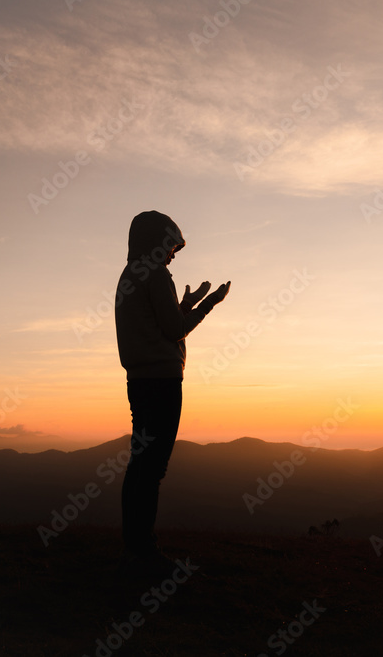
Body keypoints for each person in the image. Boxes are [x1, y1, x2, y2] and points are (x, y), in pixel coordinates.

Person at [114, 210, 230, 575]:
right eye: (171, 247)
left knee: (140, 463)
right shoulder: (155, 273)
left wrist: (185, 304)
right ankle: (144, 551)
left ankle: (135, 546)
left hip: (139, 380)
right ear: (157, 241)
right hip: (161, 382)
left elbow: (158, 322)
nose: (173, 255)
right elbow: (174, 330)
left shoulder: (130, 275)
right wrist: (207, 306)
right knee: (152, 467)